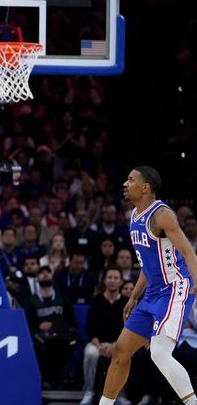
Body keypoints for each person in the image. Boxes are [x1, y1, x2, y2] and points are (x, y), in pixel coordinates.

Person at [100, 167, 197, 405]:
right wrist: (134, 296)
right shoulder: (134, 215)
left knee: (160, 353)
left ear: (145, 187)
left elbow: (187, 250)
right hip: (151, 293)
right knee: (120, 351)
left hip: (175, 289)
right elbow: (148, 263)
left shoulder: (162, 214)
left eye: (130, 179)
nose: (125, 183)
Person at [80, 267, 127, 405]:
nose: (112, 281)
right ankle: (89, 392)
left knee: (124, 355)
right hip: (97, 343)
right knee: (90, 354)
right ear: (104, 281)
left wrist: (115, 346)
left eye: (115, 278)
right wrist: (99, 346)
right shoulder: (96, 301)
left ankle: (120, 395)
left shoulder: (126, 302)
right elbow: (90, 329)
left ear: (121, 281)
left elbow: (128, 329)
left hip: (119, 344)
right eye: (109, 278)